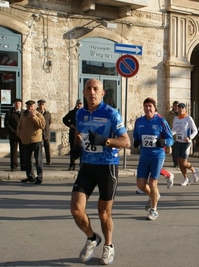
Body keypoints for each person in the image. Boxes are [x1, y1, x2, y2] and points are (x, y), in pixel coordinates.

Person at [69, 79, 130, 265]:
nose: (92, 92)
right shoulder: (80, 113)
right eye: (89, 88)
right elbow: (79, 135)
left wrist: (105, 141)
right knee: (76, 210)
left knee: (103, 213)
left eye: (96, 89)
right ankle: (92, 237)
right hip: (87, 166)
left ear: (102, 93)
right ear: (84, 92)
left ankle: (109, 246)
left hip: (107, 166)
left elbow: (126, 142)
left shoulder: (111, 113)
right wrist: (77, 147)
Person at [133, 98, 174, 220]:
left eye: (150, 106)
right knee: (140, 184)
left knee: (152, 183)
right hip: (144, 156)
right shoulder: (139, 121)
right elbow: (136, 135)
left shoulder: (161, 122)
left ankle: (154, 210)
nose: (147, 108)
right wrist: (136, 141)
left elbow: (171, 139)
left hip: (157, 156)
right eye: (145, 106)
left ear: (154, 108)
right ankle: (154, 195)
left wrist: (164, 141)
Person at [17, 100, 46, 184]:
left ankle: (39, 177)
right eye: (28, 106)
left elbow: (42, 125)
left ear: (34, 106)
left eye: (32, 106)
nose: (30, 108)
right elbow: (19, 126)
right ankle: (30, 176)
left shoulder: (38, 115)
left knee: (38, 159)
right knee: (27, 160)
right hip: (25, 140)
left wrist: (34, 117)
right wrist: (20, 135)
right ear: (26, 107)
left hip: (36, 140)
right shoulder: (23, 115)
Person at [172, 102, 199, 186]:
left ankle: (194, 170)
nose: (180, 110)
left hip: (186, 143)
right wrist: (169, 134)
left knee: (183, 162)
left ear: (185, 109)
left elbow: (195, 130)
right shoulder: (176, 119)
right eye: (179, 108)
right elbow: (174, 130)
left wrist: (190, 137)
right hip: (178, 142)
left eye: (182, 108)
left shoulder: (188, 118)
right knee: (179, 161)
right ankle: (186, 178)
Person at [4, 98, 25, 171]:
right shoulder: (10, 113)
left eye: (19, 103)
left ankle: (23, 166)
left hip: (22, 135)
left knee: (23, 151)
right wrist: (13, 131)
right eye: (16, 103)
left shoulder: (24, 112)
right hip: (13, 134)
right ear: (14, 104)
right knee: (13, 151)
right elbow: (7, 124)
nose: (17, 105)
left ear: (21, 104)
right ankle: (14, 166)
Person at [63, 99, 83, 170]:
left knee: (82, 150)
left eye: (80, 104)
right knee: (73, 149)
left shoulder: (84, 112)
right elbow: (64, 119)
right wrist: (70, 125)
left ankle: (82, 165)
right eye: (78, 104)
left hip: (81, 133)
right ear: (76, 104)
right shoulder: (72, 112)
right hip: (73, 132)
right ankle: (72, 164)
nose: (79, 105)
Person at [36, 99, 52, 165]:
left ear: (44, 105)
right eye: (40, 104)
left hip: (46, 132)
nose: (41, 106)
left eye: (42, 104)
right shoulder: (36, 113)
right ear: (38, 105)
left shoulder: (47, 113)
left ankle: (48, 161)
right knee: (38, 148)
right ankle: (39, 161)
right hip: (38, 132)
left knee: (47, 147)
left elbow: (50, 122)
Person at [165, 100, 179, 167]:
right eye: (175, 105)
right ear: (173, 106)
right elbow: (166, 123)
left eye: (177, 105)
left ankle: (180, 162)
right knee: (174, 150)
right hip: (172, 134)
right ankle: (175, 163)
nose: (176, 107)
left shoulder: (181, 113)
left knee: (180, 150)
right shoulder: (170, 114)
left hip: (180, 135)